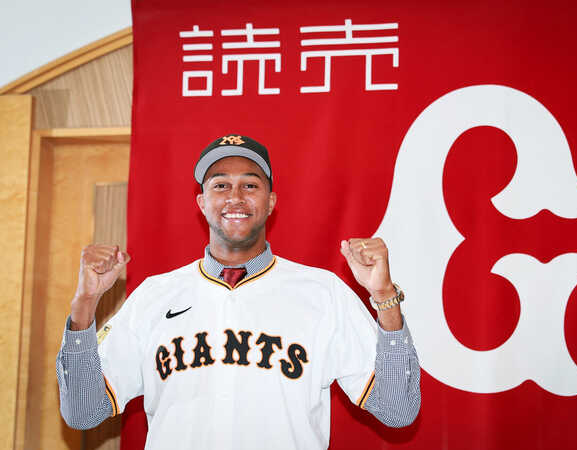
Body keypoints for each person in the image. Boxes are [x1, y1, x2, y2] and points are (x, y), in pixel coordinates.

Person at [57, 134, 420, 449]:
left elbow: (397, 409)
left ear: (270, 202)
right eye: (220, 185)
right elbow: (84, 412)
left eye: (249, 185)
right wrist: (85, 304)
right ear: (202, 203)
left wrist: (384, 297)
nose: (235, 197)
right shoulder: (154, 296)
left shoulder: (323, 293)